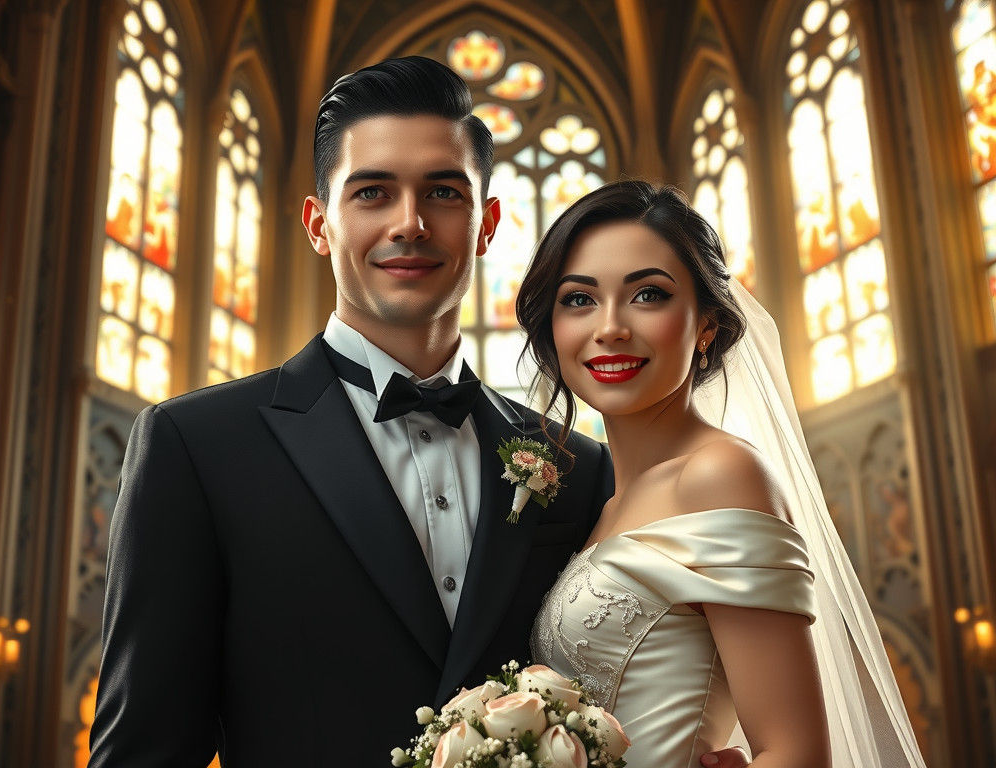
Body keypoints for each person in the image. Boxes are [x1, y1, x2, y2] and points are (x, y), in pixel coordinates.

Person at [88, 58, 752, 766]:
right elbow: (143, 752)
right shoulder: (197, 446)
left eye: (443, 192)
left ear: (487, 224)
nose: (410, 223)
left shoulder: (579, 467)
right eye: (373, 192)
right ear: (319, 224)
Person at [521, 181, 927, 767]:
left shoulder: (719, 474)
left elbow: (795, 753)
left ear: (707, 324)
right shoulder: (606, 503)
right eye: (579, 299)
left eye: (649, 295)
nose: (608, 327)